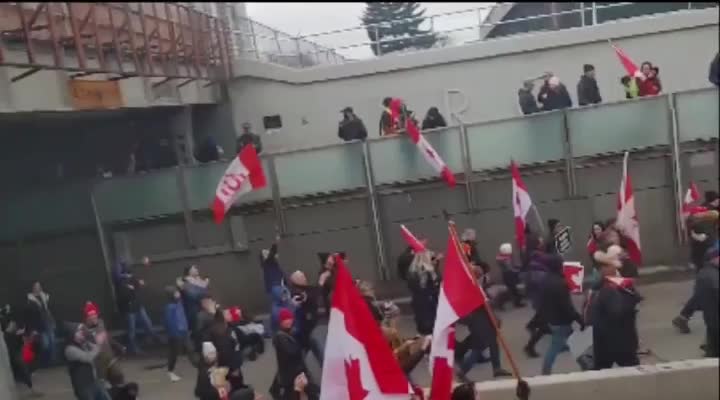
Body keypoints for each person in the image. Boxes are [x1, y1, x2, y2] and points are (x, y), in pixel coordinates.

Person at [456, 264, 512, 381]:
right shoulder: (474, 288)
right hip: (480, 322)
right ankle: (462, 372)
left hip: (481, 321)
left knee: (492, 343)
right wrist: (494, 299)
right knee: (479, 347)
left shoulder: (472, 286)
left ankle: (496, 368)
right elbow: (486, 305)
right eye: (480, 275)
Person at [589, 246, 642, 369]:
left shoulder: (599, 287)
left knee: (601, 371)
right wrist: (632, 300)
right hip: (619, 341)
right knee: (633, 372)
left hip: (604, 341)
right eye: (611, 266)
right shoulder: (609, 288)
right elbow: (618, 311)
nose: (615, 268)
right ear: (604, 269)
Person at [673, 201, 719, 333]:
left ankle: (683, 317)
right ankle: (683, 317)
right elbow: (708, 244)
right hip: (708, 265)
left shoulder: (705, 227)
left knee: (704, 293)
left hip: (708, 264)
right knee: (705, 293)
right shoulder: (700, 228)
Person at [538, 254, 584, 375]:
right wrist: (580, 320)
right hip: (562, 321)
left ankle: (586, 365)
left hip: (552, 319)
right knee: (561, 345)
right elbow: (567, 307)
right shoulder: (560, 283)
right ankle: (546, 372)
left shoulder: (545, 280)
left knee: (572, 343)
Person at [115, 263, 160, 355]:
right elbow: (124, 295)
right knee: (132, 330)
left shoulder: (132, 279)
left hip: (137, 306)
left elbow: (140, 284)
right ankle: (134, 348)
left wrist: (134, 287)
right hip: (130, 309)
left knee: (148, 324)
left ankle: (154, 339)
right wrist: (132, 288)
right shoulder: (121, 282)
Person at [83, 302, 125, 390]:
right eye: (91, 315)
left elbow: (108, 337)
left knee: (119, 375)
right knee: (104, 385)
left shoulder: (101, 323)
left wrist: (118, 346)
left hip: (109, 357)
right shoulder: (84, 331)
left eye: (95, 315)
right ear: (87, 318)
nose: (94, 317)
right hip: (98, 362)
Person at [1, 304, 41, 397]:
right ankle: (30, 387)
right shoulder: (10, 323)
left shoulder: (19, 324)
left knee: (23, 363)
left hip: (15, 346)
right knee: (21, 363)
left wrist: (27, 337)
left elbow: (23, 340)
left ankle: (30, 386)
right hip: (10, 346)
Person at [380, 301, 429, 377]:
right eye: (397, 316)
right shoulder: (388, 333)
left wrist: (410, 341)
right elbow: (388, 356)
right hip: (394, 370)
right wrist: (404, 346)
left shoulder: (392, 330)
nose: (399, 318)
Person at [64, 322, 110, 400]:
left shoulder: (84, 343)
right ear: (72, 334)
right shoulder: (69, 349)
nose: (81, 332)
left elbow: (97, 350)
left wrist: (94, 340)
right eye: (78, 331)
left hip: (94, 383)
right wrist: (98, 344)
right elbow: (88, 357)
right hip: (83, 388)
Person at [271, 308, 308, 400]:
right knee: (291, 393)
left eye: (289, 319)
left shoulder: (290, 332)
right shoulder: (280, 337)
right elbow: (292, 351)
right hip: (290, 372)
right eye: (285, 320)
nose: (288, 321)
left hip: (292, 371)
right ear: (280, 322)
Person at [164, 286, 196, 383]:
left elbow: (185, 294)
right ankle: (170, 372)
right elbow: (169, 323)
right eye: (176, 293)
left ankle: (201, 367)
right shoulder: (169, 307)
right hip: (176, 335)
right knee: (174, 353)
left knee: (191, 349)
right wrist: (175, 334)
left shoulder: (179, 302)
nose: (178, 294)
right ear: (171, 295)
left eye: (177, 292)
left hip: (184, 332)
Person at [287, 271, 320, 362]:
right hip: (304, 323)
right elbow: (298, 300)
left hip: (310, 320)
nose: (305, 278)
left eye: (304, 276)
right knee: (307, 344)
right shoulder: (296, 292)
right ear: (296, 280)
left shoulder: (306, 288)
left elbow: (315, 291)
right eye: (302, 277)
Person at [406, 249, 441, 335]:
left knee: (424, 327)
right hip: (428, 303)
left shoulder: (412, 272)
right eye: (431, 258)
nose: (434, 260)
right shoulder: (426, 272)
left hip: (422, 303)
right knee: (429, 327)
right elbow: (430, 285)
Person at [24, 281, 56, 367]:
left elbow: (49, 310)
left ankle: (50, 362)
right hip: (39, 326)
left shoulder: (45, 296)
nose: (38, 288)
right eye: (36, 286)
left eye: (39, 286)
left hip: (48, 323)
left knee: (52, 342)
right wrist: (32, 330)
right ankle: (44, 361)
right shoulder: (29, 299)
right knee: (45, 344)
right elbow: (29, 317)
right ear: (33, 288)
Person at [696, 242, 719, 357]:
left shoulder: (703, 273)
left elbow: (697, 296)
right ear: (713, 259)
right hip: (715, 315)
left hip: (709, 315)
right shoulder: (713, 275)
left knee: (712, 339)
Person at [177, 265, 210, 342]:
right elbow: (193, 295)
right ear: (189, 271)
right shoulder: (185, 282)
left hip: (200, 309)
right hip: (192, 310)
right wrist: (204, 287)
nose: (196, 269)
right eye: (194, 268)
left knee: (200, 329)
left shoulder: (198, 281)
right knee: (194, 329)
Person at [496, 243, 525, 308]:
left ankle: (517, 302)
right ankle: (516, 303)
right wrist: (518, 270)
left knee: (512, 289)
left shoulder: (500, 257)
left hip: (506, 275)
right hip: (509, 275)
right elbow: (510, 268)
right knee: (512, 290)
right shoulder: (505, 259)